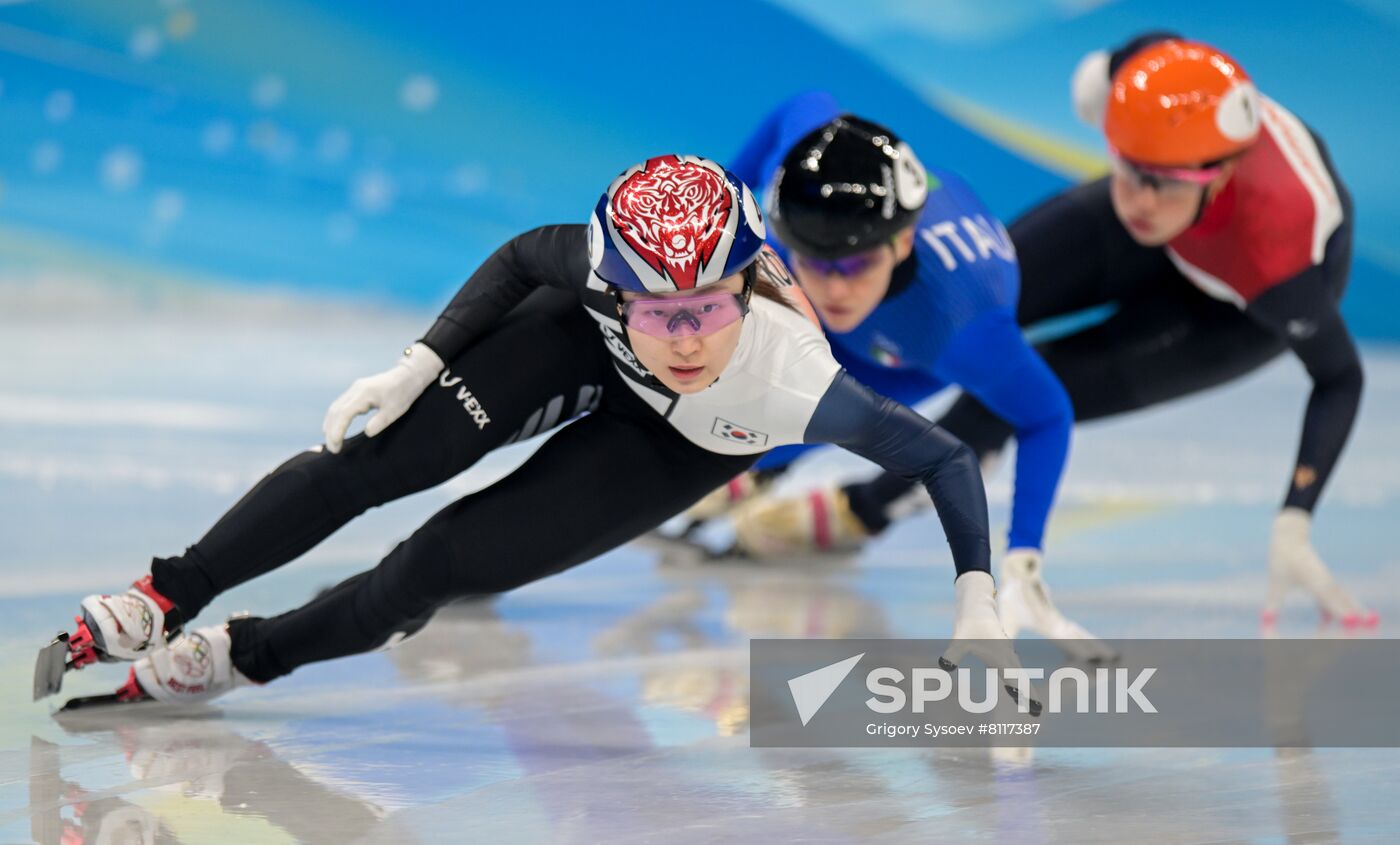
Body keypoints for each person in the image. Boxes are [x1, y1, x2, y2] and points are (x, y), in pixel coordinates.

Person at [47, 155, 1035, 707]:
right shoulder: (599, 269)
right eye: (657, 309)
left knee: (432, 567)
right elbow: (525, 255)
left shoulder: (796, 381)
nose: (684, 338)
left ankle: (244, 655)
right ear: (617, 284)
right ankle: (161, 594)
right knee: (375, 460)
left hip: (683, 445)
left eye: (705, 308)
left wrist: (976, 601)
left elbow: (944, 457)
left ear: (744, 287)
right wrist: (421, 362)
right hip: (579, 344)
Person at [745, 35, 1375, 628]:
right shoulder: (1147, 87)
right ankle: (760, 464)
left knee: (1017, 387)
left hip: (1229, 314)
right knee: (977, 321)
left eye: (1159, 183)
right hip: (1174, 224)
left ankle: (864, 509)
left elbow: (1340, 378)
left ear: (1220, 172)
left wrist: (1295, 519)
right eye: (1126, 167)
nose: (1138, 201)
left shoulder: (1277, 266)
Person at [684, 94, 1104, 659]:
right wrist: (712, 215)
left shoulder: (963, 331)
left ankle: (758, 470)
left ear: (902, 241)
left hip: (912, 346)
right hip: (885, 315)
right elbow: (804, 104)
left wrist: (1023, 557)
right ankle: (747, 470)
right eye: (815, 263)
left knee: (824, 415)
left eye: (856, 265)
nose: (834, 289)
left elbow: (1046, 416)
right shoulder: (808, 172)